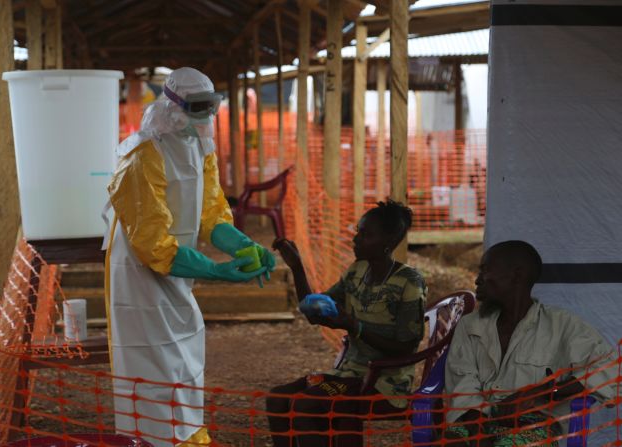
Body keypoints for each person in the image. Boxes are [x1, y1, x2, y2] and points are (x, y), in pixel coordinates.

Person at [104, 67, 275, 446]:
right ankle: (151, 440)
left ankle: (186, 435)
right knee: (152, 368)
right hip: (140, 277)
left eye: (211, 107)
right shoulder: (141, 156)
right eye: (199, 108)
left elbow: (213, 215)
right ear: (172, 106)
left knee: (185, 360)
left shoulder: (200, 147)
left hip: (179, 271)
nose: (207, 116)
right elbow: (152, 244)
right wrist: (218, 271)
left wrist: (246, 247)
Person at [267, 200, 427, 447]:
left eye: (366, 234)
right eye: (358, 232)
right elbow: (313, 313)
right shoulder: (357, 271)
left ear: (388, 241)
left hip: (385, 381)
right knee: (277, 398)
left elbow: (405, 349)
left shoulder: (409, 282)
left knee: (306, 404)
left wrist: (354, 326)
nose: (356, 239)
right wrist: (297, 268)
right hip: (349, 373)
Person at [444, 240, 617, 447]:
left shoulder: (562, 325)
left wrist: (540, 392)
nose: (477, 280)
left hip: (536, 424)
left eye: (486, 271)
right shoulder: (470, 325)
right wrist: (478, 425)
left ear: (517, 276)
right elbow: (463, 379)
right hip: (474, 418)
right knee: (451, 443)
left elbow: (611, 370)